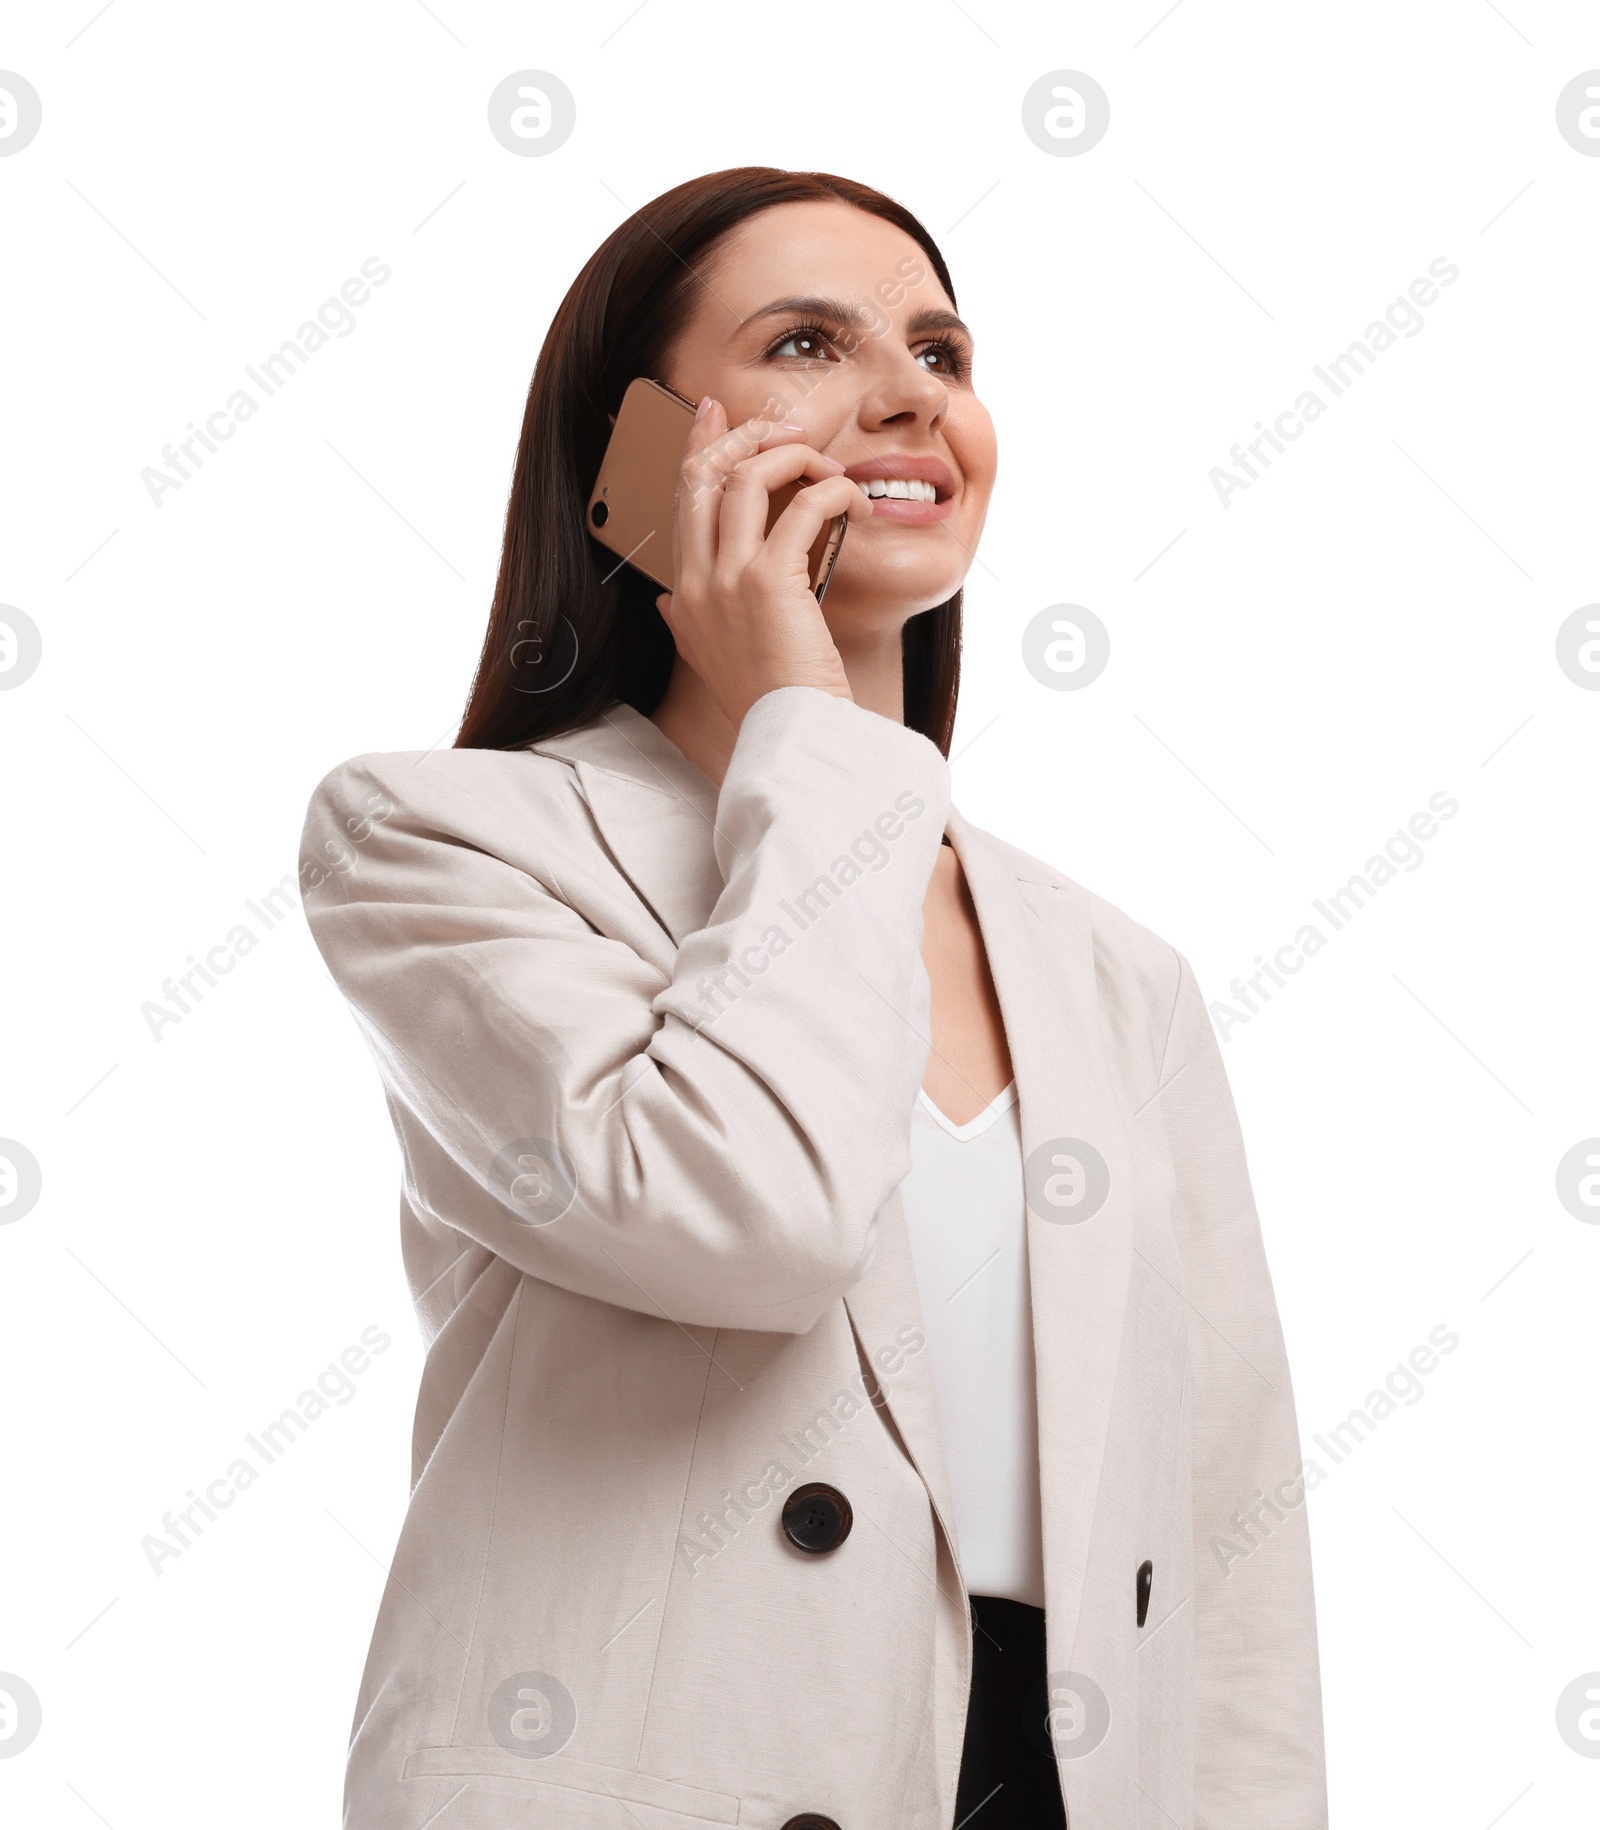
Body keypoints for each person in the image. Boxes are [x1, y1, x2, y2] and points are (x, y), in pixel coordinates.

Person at [301, 166, 1327, 1830]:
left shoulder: (1115, 971)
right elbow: (742, 1214)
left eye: (941, 351)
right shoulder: (443, 841)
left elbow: (1231, 1544)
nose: (912, 395)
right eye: (806, 342)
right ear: (635, 467)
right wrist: (804, 718)